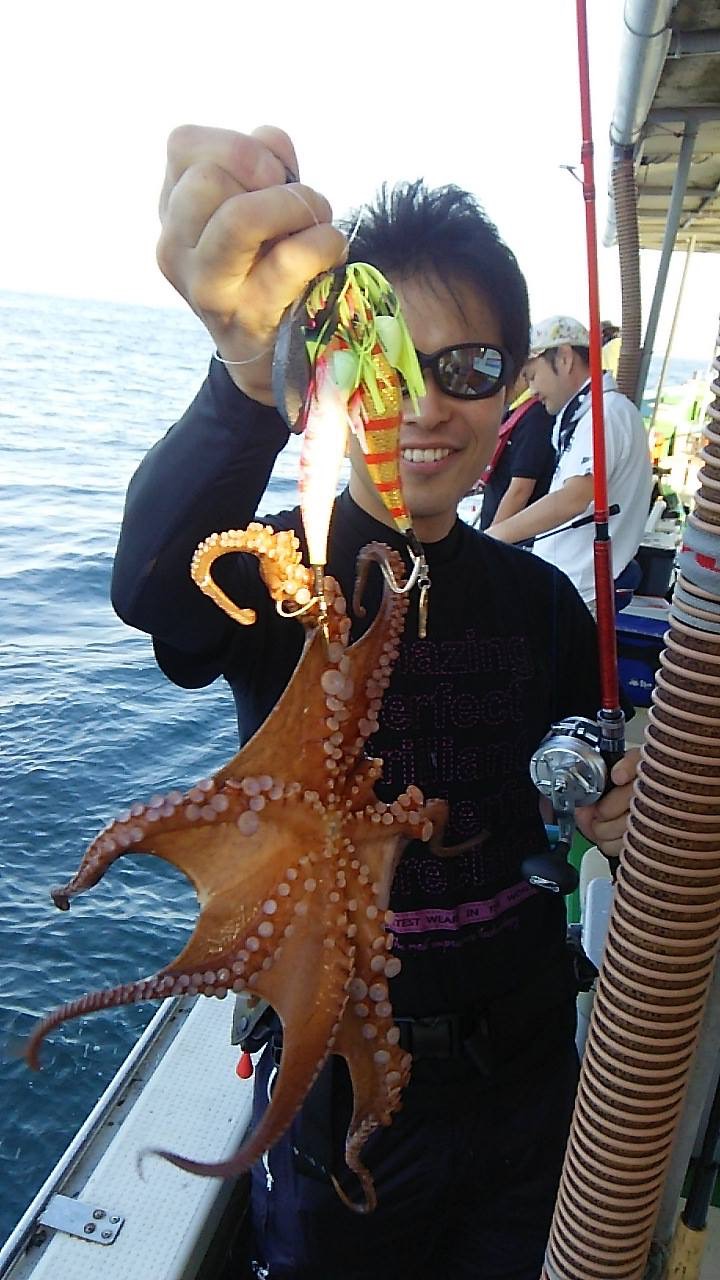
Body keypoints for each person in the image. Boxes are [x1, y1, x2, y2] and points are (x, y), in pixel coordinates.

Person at [111, 126, 640, 1280]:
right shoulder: (282, 574)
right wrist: (242, 380)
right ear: (338, 374)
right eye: (390, 364)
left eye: (471, 367)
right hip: (336, 1091)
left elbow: (588, 780)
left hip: (528, 1083)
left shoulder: (544, 606)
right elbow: (151, 589)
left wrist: (614, 803)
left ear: (510, 386)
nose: (429, 405)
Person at [487, 315, 653, 612]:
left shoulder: (604, 415)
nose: (531, 390)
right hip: (566, 580)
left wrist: (490, 539)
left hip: (579, 589)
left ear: (564, 358)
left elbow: (573, 498)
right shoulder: (589, 413)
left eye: (532, 375)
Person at [477, 370, 555, 537]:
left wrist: (490, 541)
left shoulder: (536, 416)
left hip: (510, 537)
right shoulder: (515, 410)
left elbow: (521, 489)